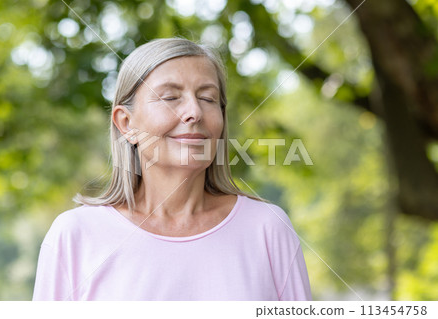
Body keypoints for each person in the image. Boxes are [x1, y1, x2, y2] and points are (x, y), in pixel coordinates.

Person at [32, 38, 312, 301]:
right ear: (126, 123)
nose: (195, 112)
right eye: (170, 97)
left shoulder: (267, 228)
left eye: (207, 98)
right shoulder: (75, 235)